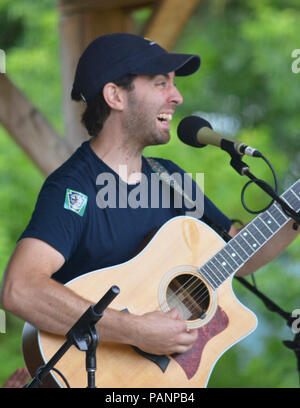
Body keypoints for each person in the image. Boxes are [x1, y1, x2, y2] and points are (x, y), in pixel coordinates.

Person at [1, 33, 299, 360]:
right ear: (115, 96)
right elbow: (21, 289)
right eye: (161, 84)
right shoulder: (74, 188)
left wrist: (294, 209)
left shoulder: (170, 178)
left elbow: (239, 256)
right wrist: (136, 330)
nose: (177, 97)